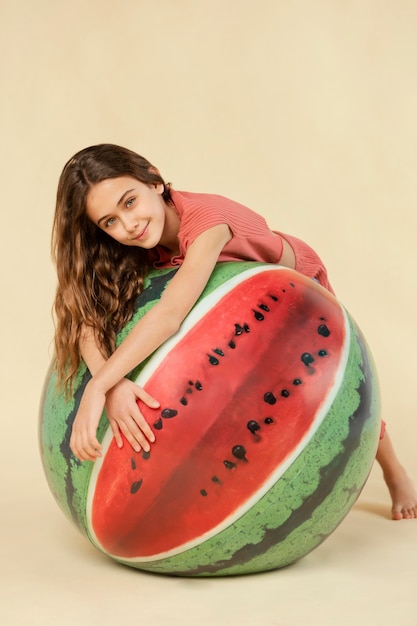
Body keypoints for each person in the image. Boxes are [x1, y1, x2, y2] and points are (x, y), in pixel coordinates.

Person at [52, 143, 417, 521]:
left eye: (129, 202)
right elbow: (85, 321)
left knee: (341, 386)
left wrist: (97, 389)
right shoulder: (137, 241)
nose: (127, 225)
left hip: (296, 291)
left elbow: (170, 314)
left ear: (154, 180)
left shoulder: (209, 221)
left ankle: (395, 473)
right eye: (108, 221)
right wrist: (112, 384)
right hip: (225, 305)